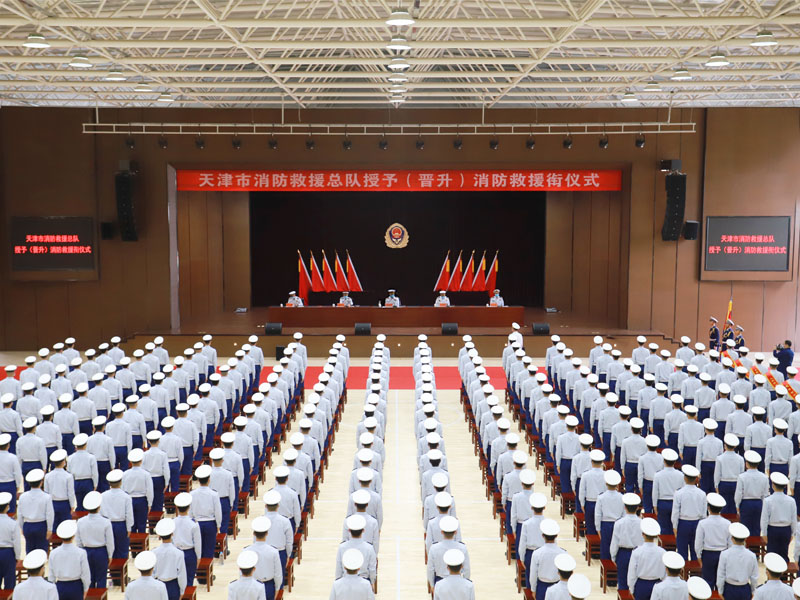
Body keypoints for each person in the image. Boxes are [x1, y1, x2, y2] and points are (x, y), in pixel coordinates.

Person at [48, 520, 91, 600]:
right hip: (76, 586)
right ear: (73, 536)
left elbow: (51, 576)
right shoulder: (81, 552)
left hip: (60, 586)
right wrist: (86, 589)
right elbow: (85, 574)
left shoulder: (53, 553)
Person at [717, 522, 758, 600]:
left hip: (729, 589)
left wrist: (720, 590)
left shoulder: (725, 554)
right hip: (744, 588)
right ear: (745, 539)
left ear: (732, 539)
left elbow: (721, 575)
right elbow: (754, 577)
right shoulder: (751, 555)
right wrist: (753, 591)